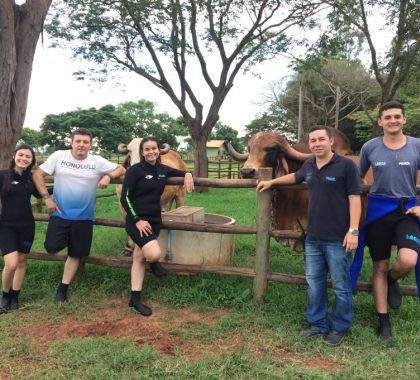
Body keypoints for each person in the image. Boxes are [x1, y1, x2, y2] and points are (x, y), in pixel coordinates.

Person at [257, 126, 361, 347]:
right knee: (314, 283)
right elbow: (295, 177)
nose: (317, 144)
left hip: (338, 238)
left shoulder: (346, 165)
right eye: (313, 141)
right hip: (313, 237)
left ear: (331, 141)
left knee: (341, 285)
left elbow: (354, 198)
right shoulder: (310, 164)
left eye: (321, 139)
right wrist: (272, 182)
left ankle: (340, 327)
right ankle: (318, 324)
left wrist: (353, 230)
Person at [352, 101, 420, 345]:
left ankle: (392, 279)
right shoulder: (370, 147)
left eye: (397, 117)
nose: (392, 120)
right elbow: (357, 178)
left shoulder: (416, 145)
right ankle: (383, 321)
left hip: (407, 211)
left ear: (404, 120)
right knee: (379, 266)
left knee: (408, 260)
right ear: (380, 122)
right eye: (387, 117)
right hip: (378, 210)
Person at [33, 128, 125, 304]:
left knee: (76, 254)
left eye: (85, 142)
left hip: (84, 217)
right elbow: (38, 174)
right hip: (60, 213)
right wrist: (46, 197)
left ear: (90, 145)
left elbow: (121, 168)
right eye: (78, 141)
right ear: (71, 142)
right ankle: (68, 241)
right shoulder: (59, 156)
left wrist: (108, 176)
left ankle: (63, 288)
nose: (81, 145)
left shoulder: (96, 161)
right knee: (51, 247)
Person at [120, 137, 194, 316]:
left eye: (154, 149)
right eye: (147, 149)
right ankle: (154, 265)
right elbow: (125, 197)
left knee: (138, 257)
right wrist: (137, 219)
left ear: (158, 150)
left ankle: (134, 299)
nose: (151, 152)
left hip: (155, 220)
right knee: (152, 254)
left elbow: (181, 171)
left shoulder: (162, 170)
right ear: (142, 152)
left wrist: (188, 175)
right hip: (138, 221)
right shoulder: (135, 171)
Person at [0, 145, 45, 312]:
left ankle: (15, 296)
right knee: (11, 264)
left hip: (27, 226)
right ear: (14, 156)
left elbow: (42, 194)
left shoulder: (31, 179)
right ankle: (5, 296)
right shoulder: (3, 175)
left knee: (21, 261)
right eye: (21, 155)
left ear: (32, 160)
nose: (24, 159)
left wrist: (65, 186)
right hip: (6, 226)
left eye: (28, 156)